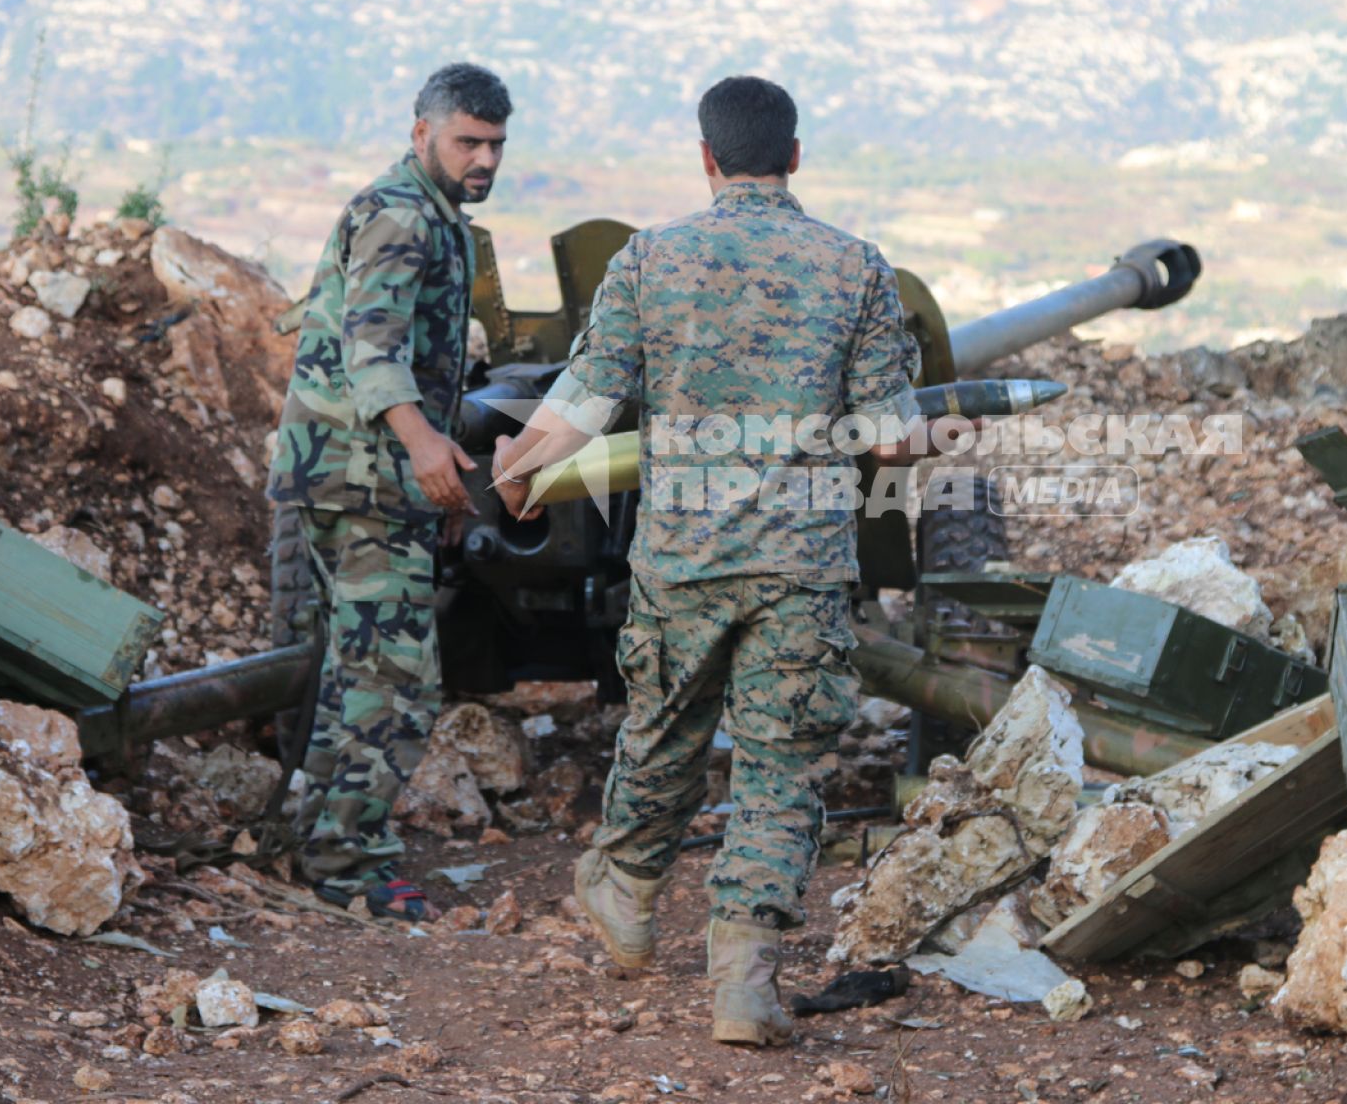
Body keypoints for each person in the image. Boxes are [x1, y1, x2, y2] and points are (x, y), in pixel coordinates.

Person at [491, 75, 923, 1045]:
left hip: (681, 557)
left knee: (664, 731)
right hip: (801, 565)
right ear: (797, 156)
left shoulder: (652, 259)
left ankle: (630, 895)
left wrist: (517, 470)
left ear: (706, 158)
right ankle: (743, 984)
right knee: (780, 767)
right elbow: (893, 444)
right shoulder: (855, 268)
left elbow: (586, 400)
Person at [266, 62, 511, 922]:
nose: (482, 159)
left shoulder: (433, 215)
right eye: (466, 142)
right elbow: (374, 353)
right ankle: (347, 863)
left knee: (364, 669)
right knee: (392, 680)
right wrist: (427, 453)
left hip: (371, 480)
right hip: (358, 474)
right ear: (422, 135)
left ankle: (324, 844)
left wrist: (426, 485)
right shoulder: (402, 216)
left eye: (494, 144)